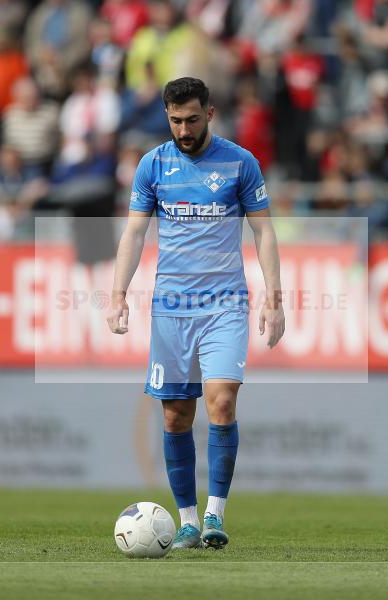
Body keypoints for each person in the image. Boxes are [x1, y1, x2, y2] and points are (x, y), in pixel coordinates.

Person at [106, 77, 285, 549]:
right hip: (172, 308)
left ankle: (214, 517)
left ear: (210, 113)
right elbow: (134, 233)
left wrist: (274, 297)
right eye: (175, 121)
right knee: (175, 417)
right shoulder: (153, 165)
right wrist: (118, 293)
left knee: (221, 401)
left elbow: (264, 232)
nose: (183, 130)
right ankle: (186, 521)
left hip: (225, 303)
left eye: (191, 119)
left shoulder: (240, 163)